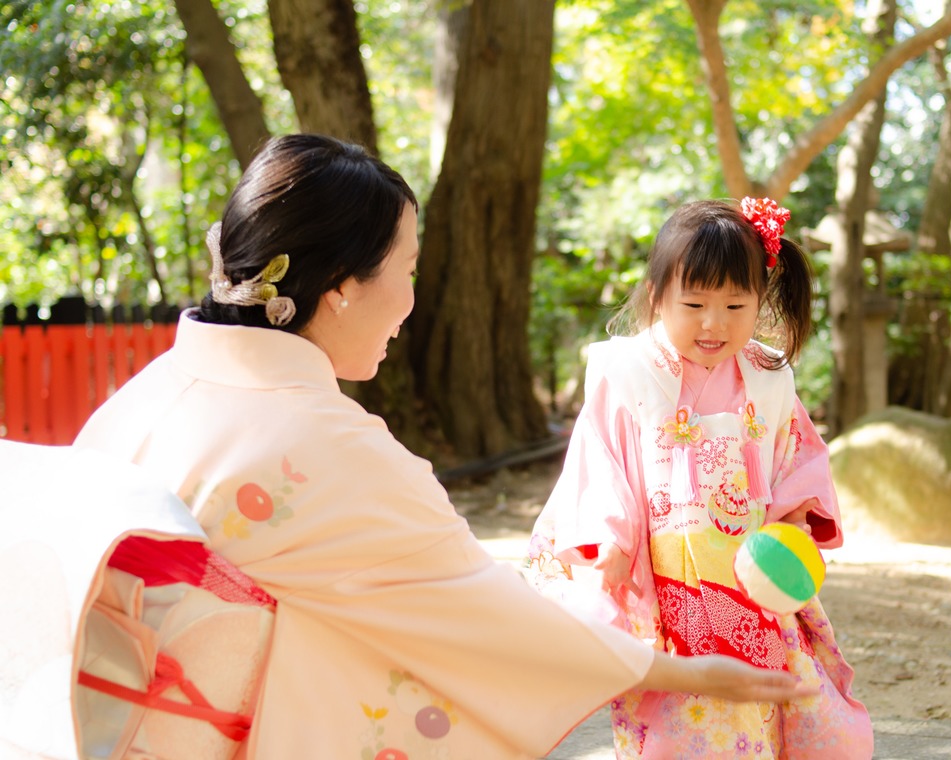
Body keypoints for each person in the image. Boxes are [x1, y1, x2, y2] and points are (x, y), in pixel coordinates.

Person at [66, 134, 812, 759]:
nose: (413, 298)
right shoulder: (336, 451)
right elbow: (490, 621)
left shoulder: (139, 400)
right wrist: (685, 673)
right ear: (343, 289)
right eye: (409, 268)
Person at [525, 198, 874, 758]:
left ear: (761, 300)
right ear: (657, 295)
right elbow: (600, 458)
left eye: (736, 305)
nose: (715, 324)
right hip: (664, 584)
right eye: (694, 303)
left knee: (751, 711)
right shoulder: (628, 370)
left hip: (746, 576)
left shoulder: (767, 378)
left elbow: (797, 457)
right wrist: (608, 540)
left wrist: (793, 519)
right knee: (670, 718)